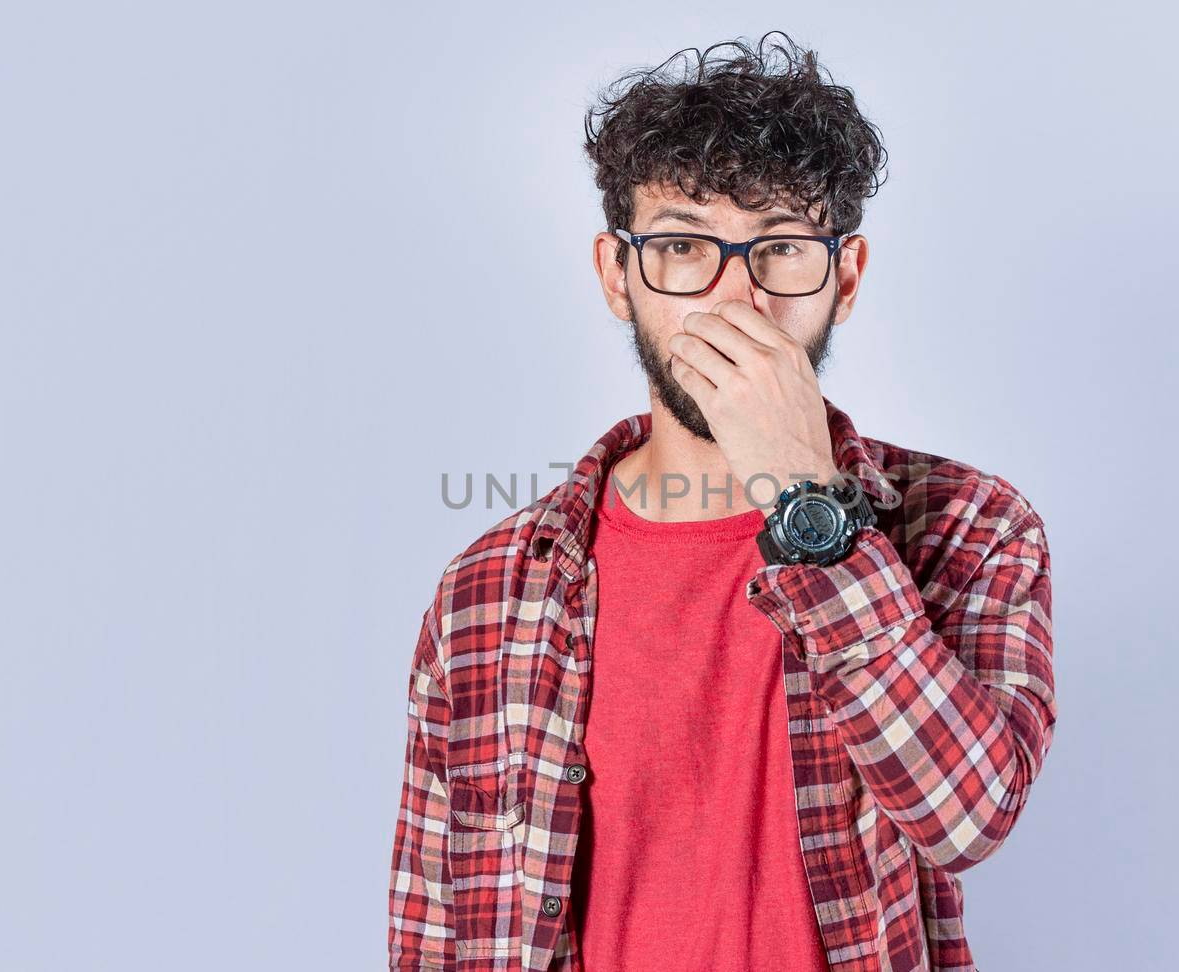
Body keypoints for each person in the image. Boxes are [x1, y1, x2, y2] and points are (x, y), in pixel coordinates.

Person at [389, 30, 1056, 972]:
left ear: (846, 276)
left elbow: (967, 817)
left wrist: (805, 499)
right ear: (617, 277)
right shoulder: (487, 595)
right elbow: (434, 931)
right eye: (681, 245)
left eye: (780, 246)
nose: (735, 298)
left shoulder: (969, 527)